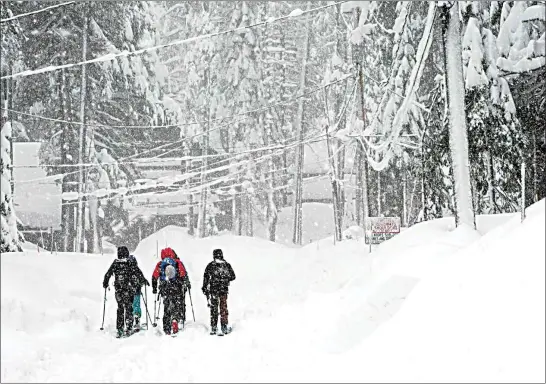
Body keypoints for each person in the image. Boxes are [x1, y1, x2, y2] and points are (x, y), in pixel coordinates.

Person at [103, 246, 147, 338]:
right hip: (128, 290)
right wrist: (143, 280)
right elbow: (137, 272)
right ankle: (128, 327)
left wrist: (105, 283)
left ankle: (119, 329)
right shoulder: (130, 262)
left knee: (120, 309)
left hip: (118, 291)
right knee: (129, 308)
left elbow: (108, 274)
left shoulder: (115, 263)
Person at [151, 247, 187, 335]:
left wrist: (155, 288)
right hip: (176, 288)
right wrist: (185, 284)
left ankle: (166, 328)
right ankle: (175, 320)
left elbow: (154, 277)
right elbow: (183, 274)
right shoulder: (177, 262)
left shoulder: (160, 264)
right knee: (176, 304)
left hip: (165, 288)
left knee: (166, 307)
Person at [202, 249, 236, 335]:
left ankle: (214, 327)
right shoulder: (226, 265)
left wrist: (205, 287)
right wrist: (225, 279)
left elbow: (206, 277)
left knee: (214, 308)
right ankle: (224, 326)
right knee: (223, 308)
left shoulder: (210, 265)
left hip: (213, 290)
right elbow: (233, 276)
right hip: (223, 290)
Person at [127, 254, 150, 331]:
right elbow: (142, 278)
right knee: (136, 305)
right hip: (137, 290)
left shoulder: (127, 269)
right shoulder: (136, 269)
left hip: (128, 292)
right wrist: (145, 282)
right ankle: (136, 318)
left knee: (129, 306)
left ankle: (129, 321)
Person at [171, 249, 191, 324]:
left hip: (167, 287)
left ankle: (172, 317)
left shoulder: (164, 263)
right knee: (180, 302)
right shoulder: (178, 262)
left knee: (171, 302)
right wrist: (187, 283)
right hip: (179, 286)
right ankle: (181, 317)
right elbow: (183, 273)